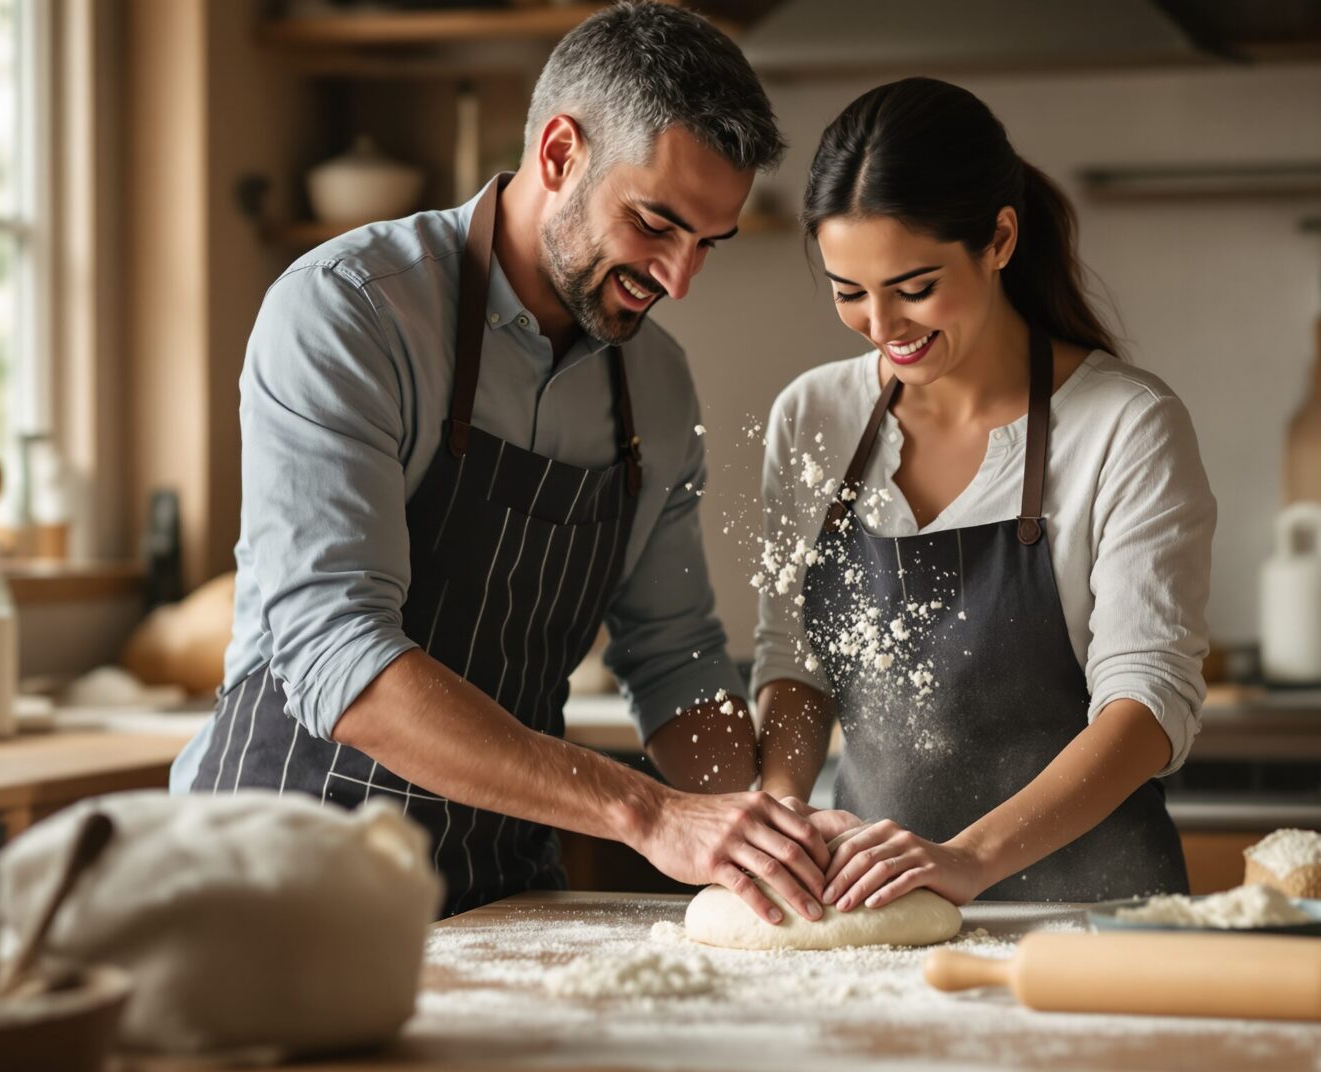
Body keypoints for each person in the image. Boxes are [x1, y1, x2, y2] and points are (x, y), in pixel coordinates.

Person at [171, 1, 831, 925]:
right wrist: (648, 811)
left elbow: (674, 654)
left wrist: (761, 830)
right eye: (655, 223)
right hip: (276, 881)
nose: (679, 279)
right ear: (559, 154)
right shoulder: (349, 314)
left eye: (706, 246)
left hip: (496, 891)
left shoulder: (659, 387)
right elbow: (337, 652)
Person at [753, 78, 1216, 912]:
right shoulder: (813, 416)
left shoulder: (1124, 425)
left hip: (1093, 923)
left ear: (999, 238)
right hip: (873, 921)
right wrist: (783, 817)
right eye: (848, 291)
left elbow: (1148, 703)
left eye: (914, 285)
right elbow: (796, 666)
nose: (881, 324)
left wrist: (966, 859)